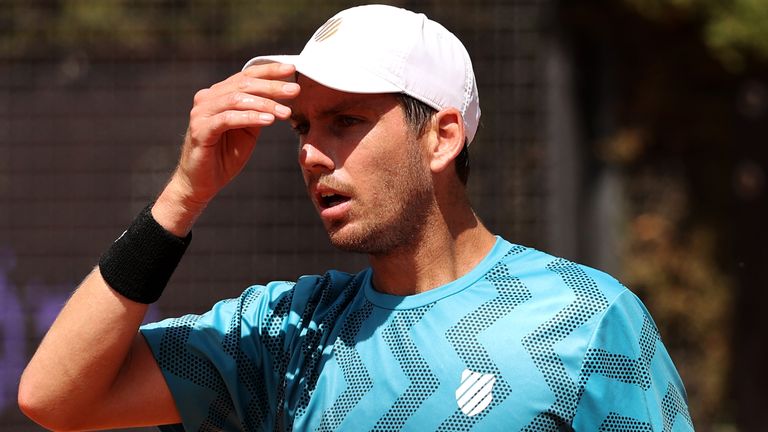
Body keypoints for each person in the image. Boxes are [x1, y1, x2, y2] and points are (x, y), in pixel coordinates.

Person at [18, 4, 694, 431]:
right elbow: (55, 398)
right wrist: (180, 200)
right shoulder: (284, 335)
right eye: (303, 126)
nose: (311, 152)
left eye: (345, 121)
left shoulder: (586, 319)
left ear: (443, 136)